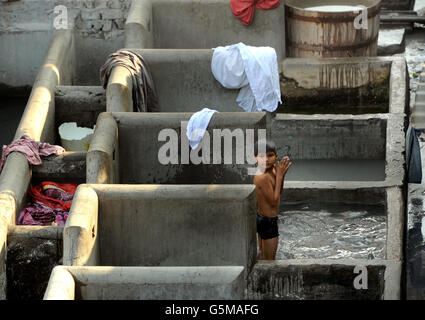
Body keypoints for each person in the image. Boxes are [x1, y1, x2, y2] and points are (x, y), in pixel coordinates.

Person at [254, 140, 291, 260]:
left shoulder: (273, 170)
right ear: (255, 158)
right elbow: (274, 202)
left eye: (270, 155)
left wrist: (281, 175)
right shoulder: (262, 177)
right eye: (261, 156)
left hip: (263, 218)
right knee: (270, 261)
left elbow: (279, 191)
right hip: (267, 222)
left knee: (263, 257)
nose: (266, 159)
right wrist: (280, 176)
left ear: (276, 156)